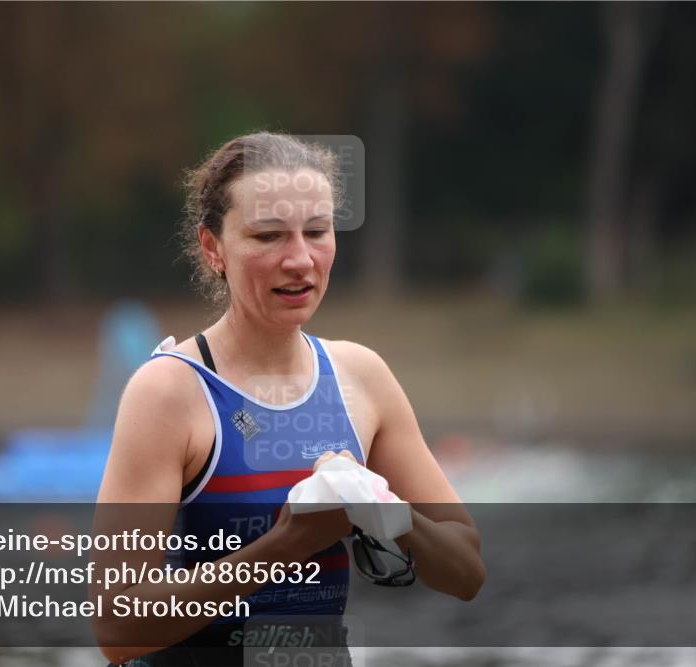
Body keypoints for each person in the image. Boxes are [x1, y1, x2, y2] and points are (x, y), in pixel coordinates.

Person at [93, 132, 485, 666]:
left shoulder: (361, 376)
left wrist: (381, 509)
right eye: (268, 236)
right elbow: (116, 628)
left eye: (316, 231)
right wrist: (287, 545)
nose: (300, 259)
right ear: (213, 248)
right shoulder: (169, 392)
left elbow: (466, 572)